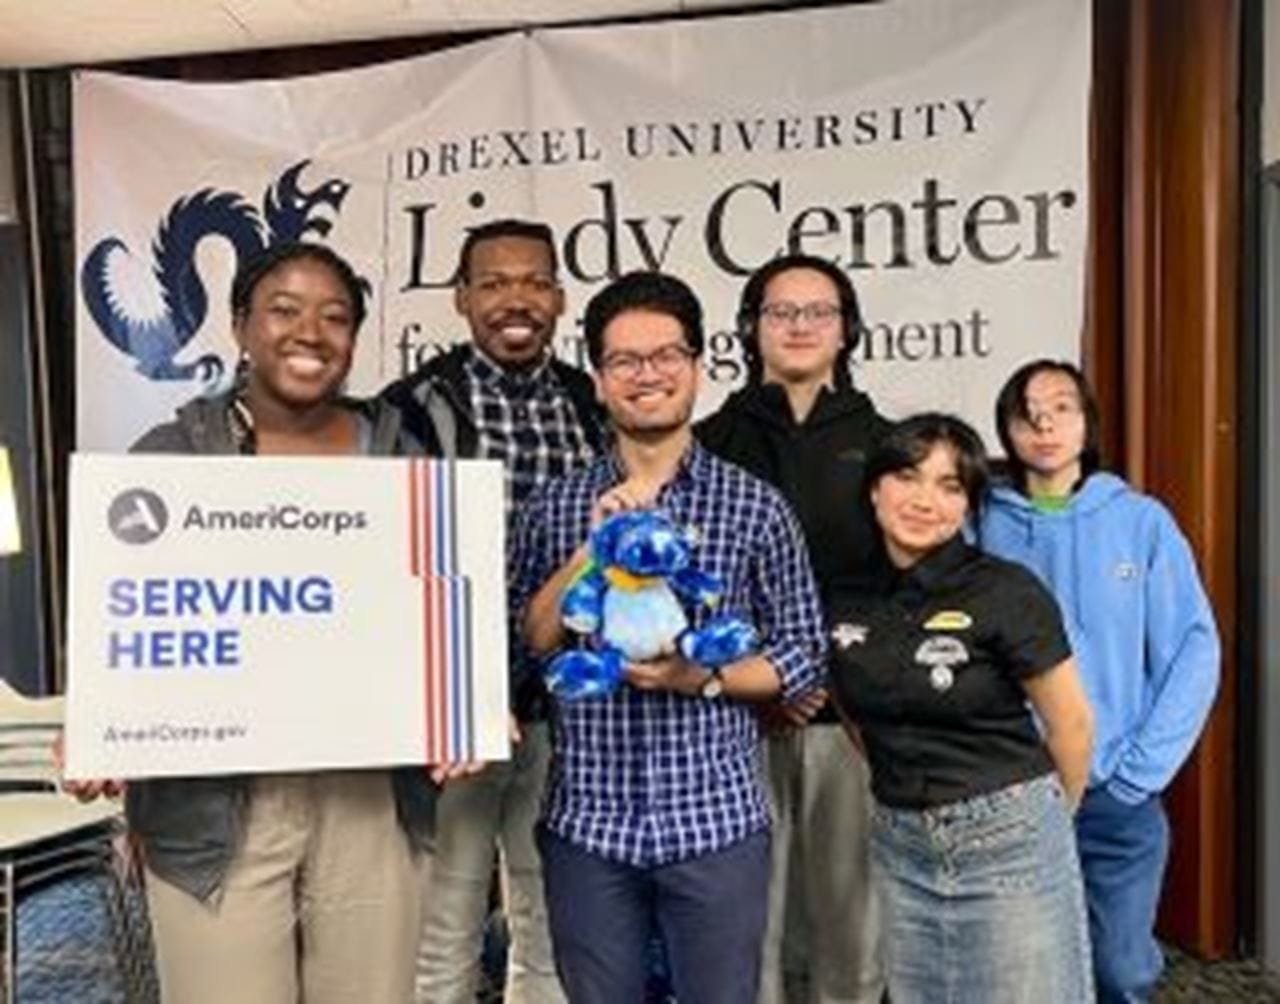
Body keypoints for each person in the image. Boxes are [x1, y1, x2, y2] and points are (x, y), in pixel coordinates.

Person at [67, 241, 466, 1004]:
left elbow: (435, 611)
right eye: (284, 310)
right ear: (240, 325)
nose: (310, 332)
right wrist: (100, 719)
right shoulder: (169, 460)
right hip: (216, 809)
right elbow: (124, 616)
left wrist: (465, 704)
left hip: (369, 797)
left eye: (335, 316)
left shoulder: (404, 462)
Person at [511, 270, 827, 1004]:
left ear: (697, 367)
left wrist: (705, 678)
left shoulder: (755, 507)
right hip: (588, 828)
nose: (646, 375)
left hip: (716, 825)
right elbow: (529, 641)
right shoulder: (555, 507)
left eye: (666, 356)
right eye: (625, 360)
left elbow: (803, 653)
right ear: (598, 380)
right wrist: (596, 548)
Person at [381, 218, 605, 1004]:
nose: (518, 298)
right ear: (462, 298)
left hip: (568, 704)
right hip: (456, 712)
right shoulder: (411, 407)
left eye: (535, 282)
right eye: (496, 282)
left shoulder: (590, 400)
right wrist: (442, 691)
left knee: (551, 920)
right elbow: (387, 556)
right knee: (444, 922)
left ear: (559, 298)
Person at [827, 412, 1096, 1004]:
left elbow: (1072, 726)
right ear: (875, 488)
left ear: (969, 504)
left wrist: (1042, 824)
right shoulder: (845, 596)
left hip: (1010, 838)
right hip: (901, 843)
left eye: (950, 486)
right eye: (908, 477)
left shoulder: (1006, 590)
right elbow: (852, 707)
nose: (925, 500)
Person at [981, 359, 1220, 1003]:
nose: (1045, 424)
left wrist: (1142, 771)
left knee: (1121, 971)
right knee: (1021, 972)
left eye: (1062, 406)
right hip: (1014, 787)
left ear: (1088, 423)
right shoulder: (983, 526)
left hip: (1117, 787)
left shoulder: (1141, 523)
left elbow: (1194, 651)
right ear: (1007, 431)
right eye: (1026, 412)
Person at [697, 253, 888, 1004]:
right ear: (751, 329)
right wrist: (761, 679)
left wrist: (815, 679)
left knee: (851, 926)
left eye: (820, 312)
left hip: (849, 720)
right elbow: (693, 584)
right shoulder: (709, 442)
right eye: (782, 312)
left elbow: (897, 583)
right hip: (735, 714)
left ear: (847, 330)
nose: (800, 326)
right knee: (750, 927)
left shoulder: (888, 444)